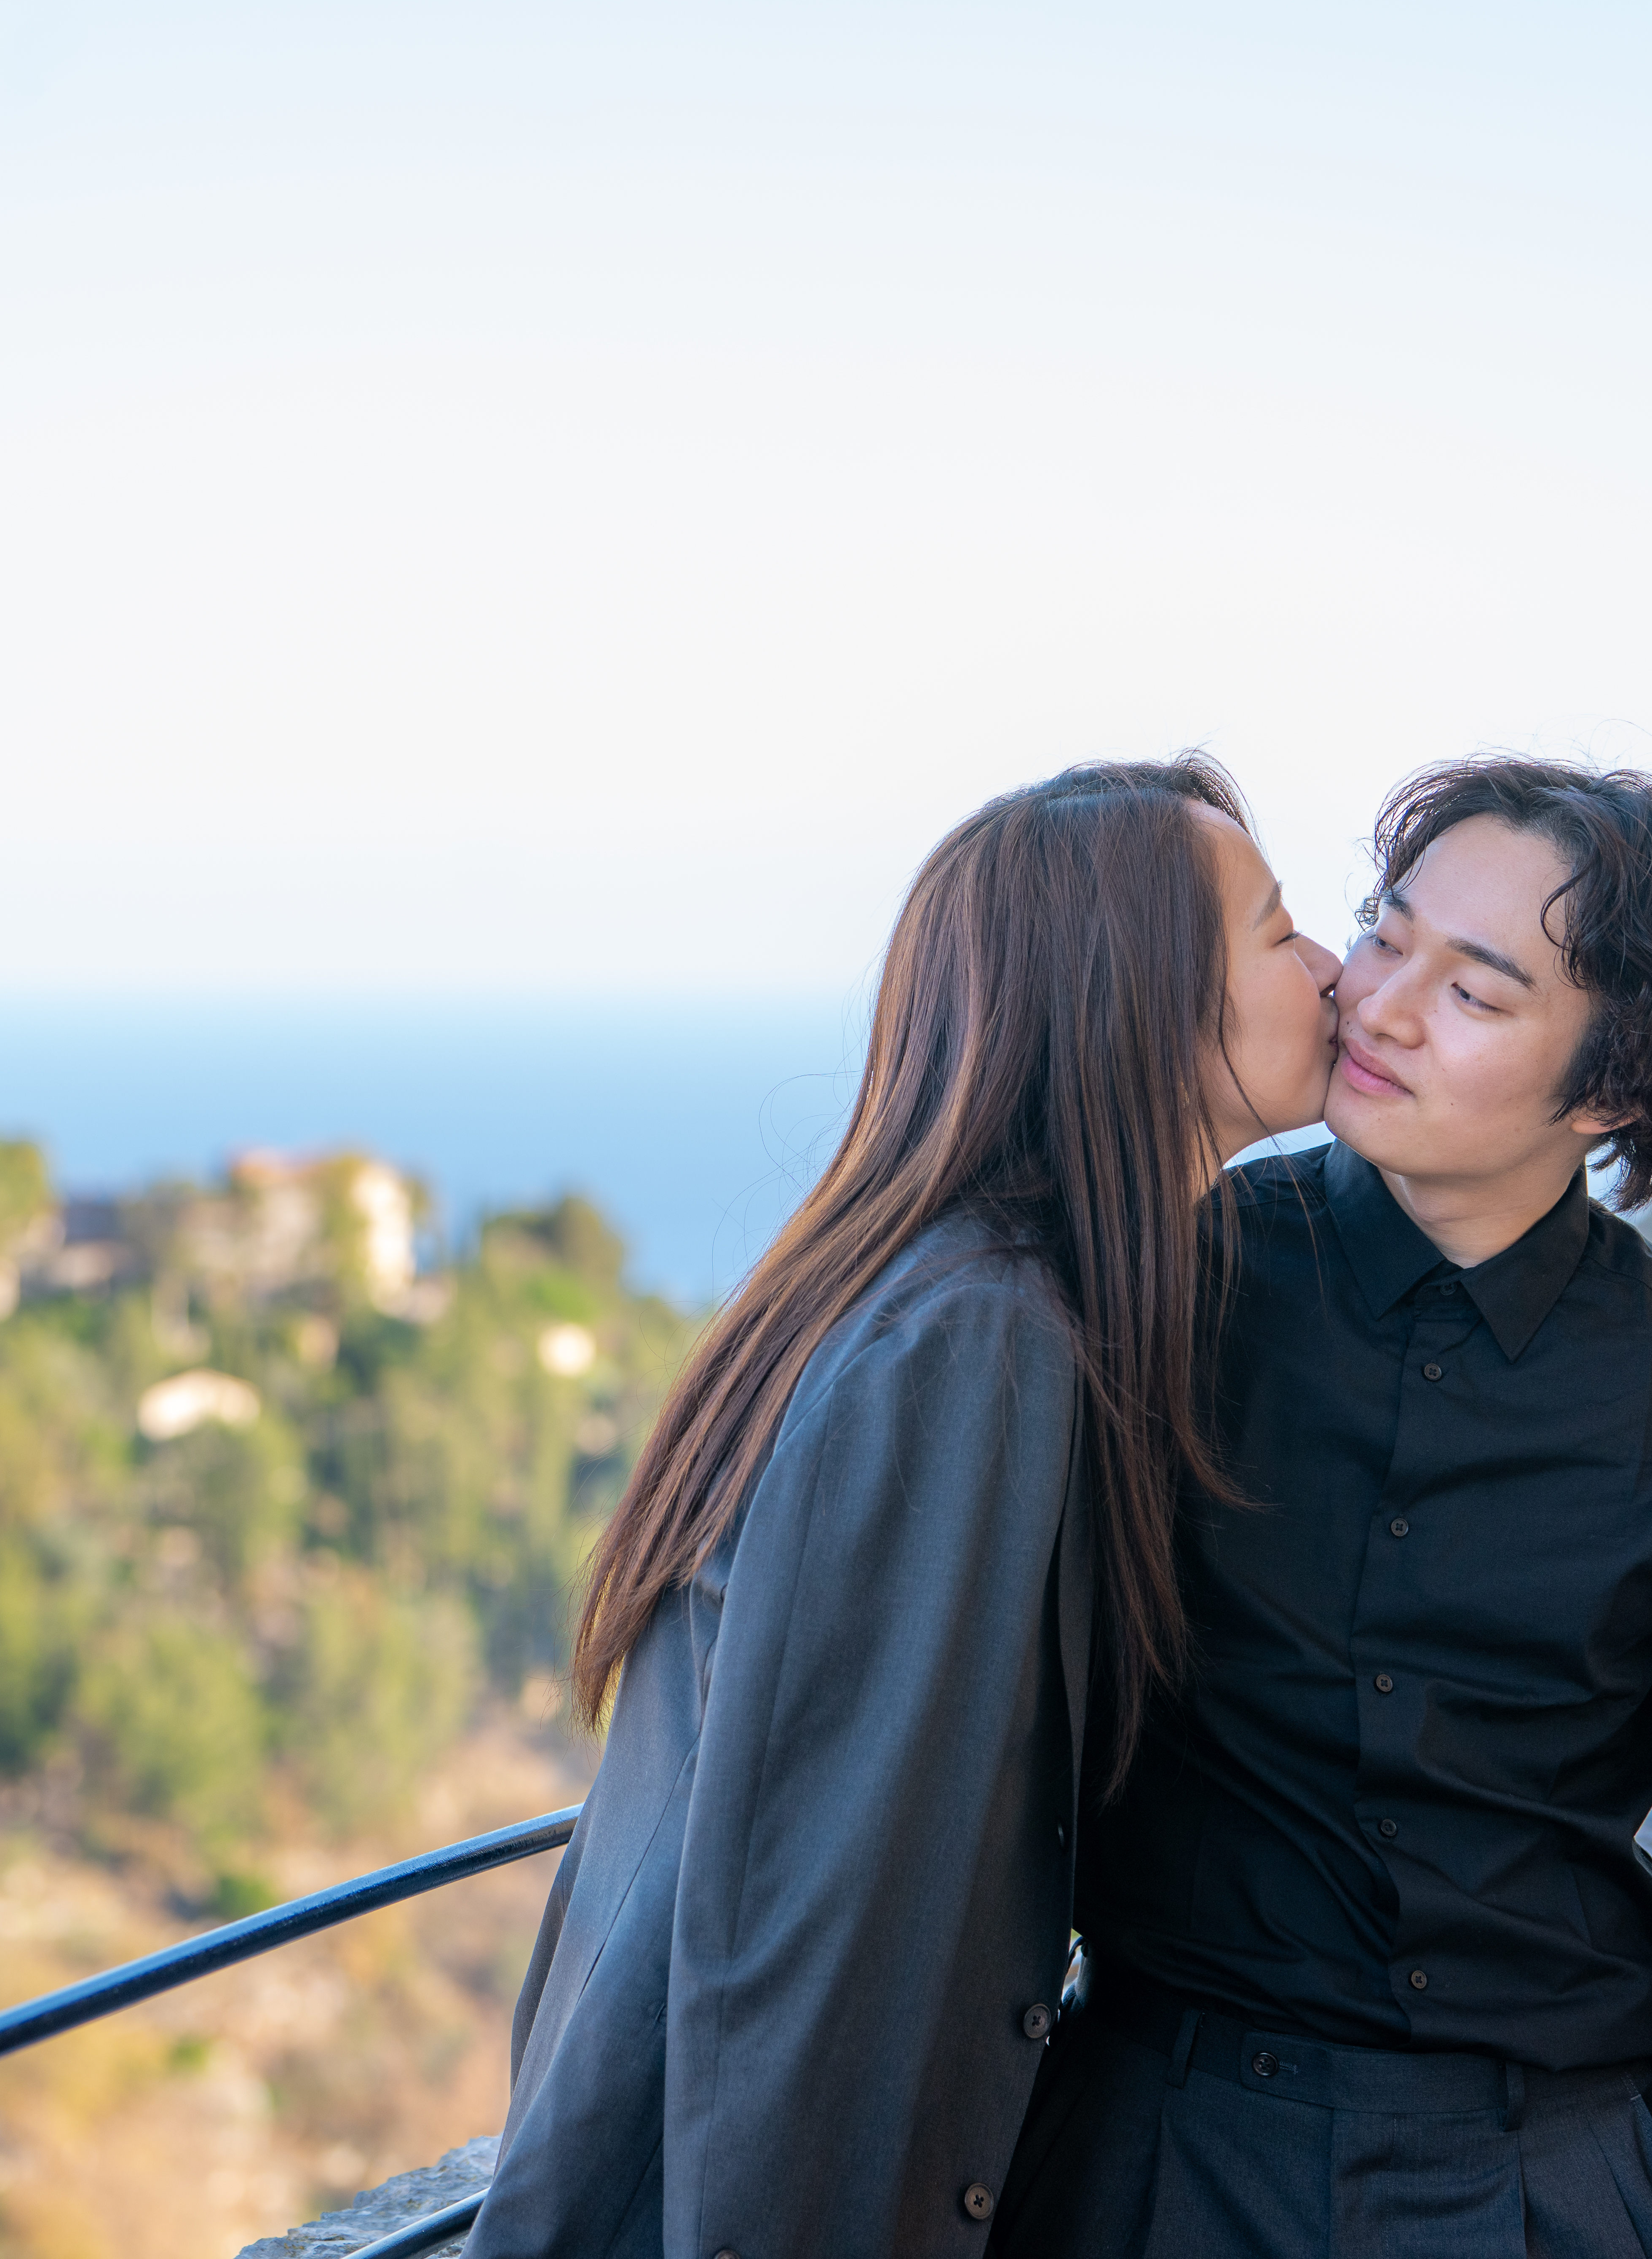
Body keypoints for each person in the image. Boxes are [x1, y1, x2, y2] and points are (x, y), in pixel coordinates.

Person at [1000, 758, 1652, 2259]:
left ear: (1612, 1085)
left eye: (1477, 995)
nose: (1382, 1005)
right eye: (1385, 932)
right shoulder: (1164, 1290)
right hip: (1152, 2145)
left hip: (1544, 2176)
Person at [463, 756, 1343, 2259]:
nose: (1331, 969)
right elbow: (827, 1919)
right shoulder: (974, 1342)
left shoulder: (955, 1292)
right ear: (1133, 1001)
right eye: (1276, 932)